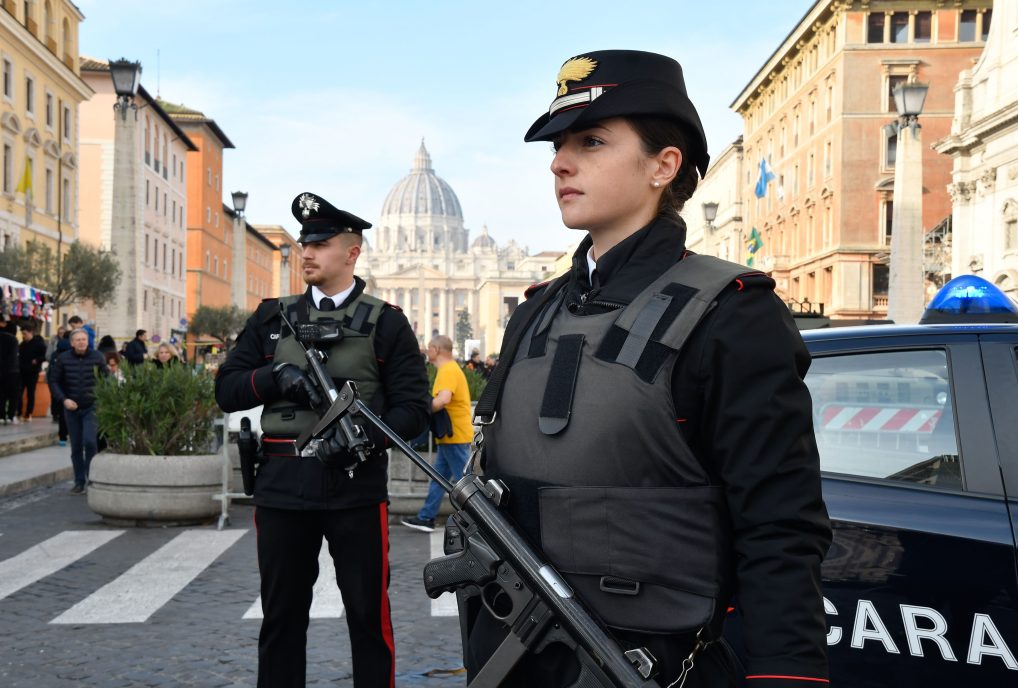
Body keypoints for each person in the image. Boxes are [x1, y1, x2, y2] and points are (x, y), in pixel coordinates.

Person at [464, 51, 832, 687]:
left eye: (593, 141)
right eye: (559, 145)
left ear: (665, 165)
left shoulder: (733, 315)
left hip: (659, 665)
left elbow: (780, 522)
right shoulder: (534, 313)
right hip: (513, 656)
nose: (560, 162)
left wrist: (787, 674)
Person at [215, 192, 429, 688]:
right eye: (305, 243)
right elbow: (227, 390)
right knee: (281, 619)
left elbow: (413, 411)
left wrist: (363, 438)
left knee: (367, 619)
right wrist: (277, 378)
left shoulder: (386, 322)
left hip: (354, 486)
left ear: (352, 252)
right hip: (283, 484)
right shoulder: (272, 317)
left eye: (321, 243)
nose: (306, 252)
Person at [402, 334, 473, 532]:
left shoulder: (447, 370)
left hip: (454, 436)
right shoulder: (451, 369)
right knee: (440, 479)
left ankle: (481, 521)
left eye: (428, 348)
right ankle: (426, 517)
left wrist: (421, 411)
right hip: (452, 436)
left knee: (465, 484)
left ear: (436, 349)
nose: (426, 351)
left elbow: (443, 399)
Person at [47, 328, 108, 494]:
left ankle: (91, 479)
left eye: (84, 339)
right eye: (78, 340)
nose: (82, 342)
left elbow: (107, 380)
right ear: (72, 343)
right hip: (71, 408)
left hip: (92, 406)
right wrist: (64, 399)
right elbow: (53, 381)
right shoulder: (63, 359)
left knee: (90, 442)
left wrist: (103, 400)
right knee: (76, 446)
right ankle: (79, 481)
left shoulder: (98, 357)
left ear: (88, 340)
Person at [18, 323, 47, 421]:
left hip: (32, 372)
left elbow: (44, 356)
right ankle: (19, 412)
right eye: (22, 334)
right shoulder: (22, 344)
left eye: (25, 334)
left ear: (31, 333)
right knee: (19, 392)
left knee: (30, 393)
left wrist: (37, 360)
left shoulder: (39, 344)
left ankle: (28, 413)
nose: (24, 336)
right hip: (22, 371)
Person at [0, 318, 18, 424]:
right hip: (12, 371)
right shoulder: (12, 339)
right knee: (13, 394)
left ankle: (1, 415)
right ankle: (11, 415)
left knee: (1, 394)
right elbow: (13, 357)